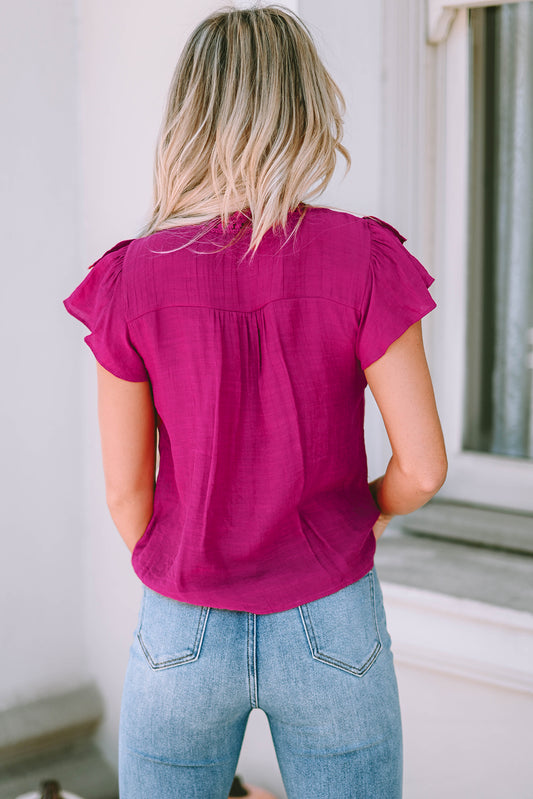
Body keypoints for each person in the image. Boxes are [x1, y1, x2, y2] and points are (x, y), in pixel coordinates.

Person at [63, 5, 447, 798]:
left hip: (183, 621)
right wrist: (364, 512)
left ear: (188, 116)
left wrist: (185, 569)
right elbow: (424, 467)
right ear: (302, 112)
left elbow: (127, 491)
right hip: (331, 609)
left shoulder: (131, 276)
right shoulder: (361, 257)